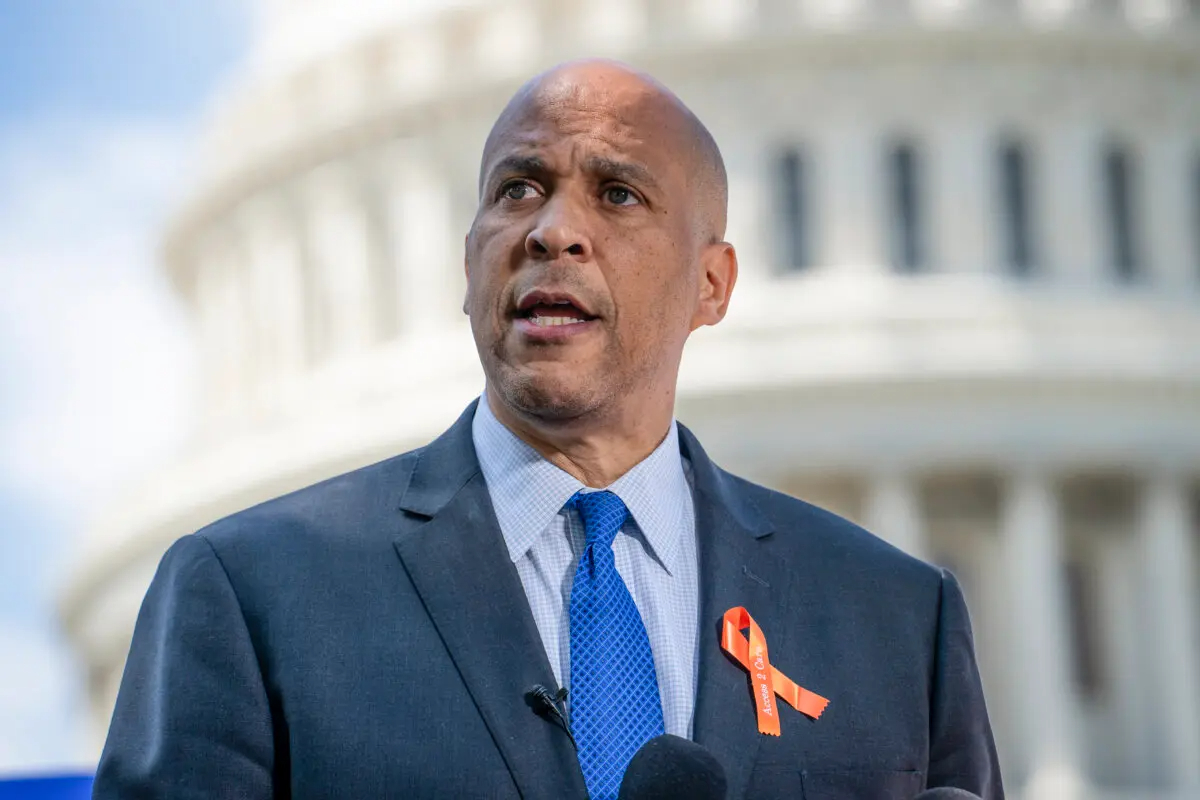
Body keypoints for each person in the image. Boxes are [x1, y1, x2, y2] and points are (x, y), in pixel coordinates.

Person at [94, 60, 1003, 800]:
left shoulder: (893, 619)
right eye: (519, 189)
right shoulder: (255, 597)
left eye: (617, 194)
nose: (554, 231)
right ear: (468, 262)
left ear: (713, 285)